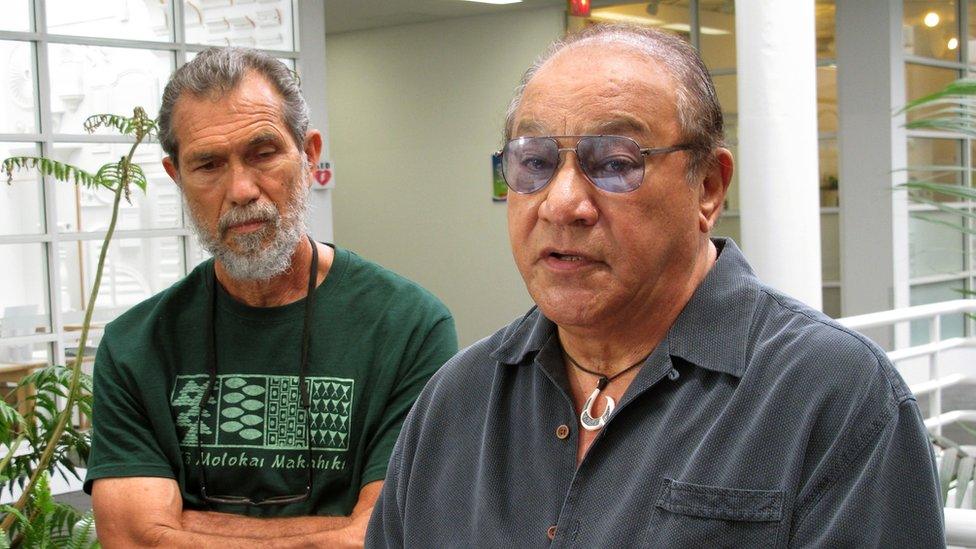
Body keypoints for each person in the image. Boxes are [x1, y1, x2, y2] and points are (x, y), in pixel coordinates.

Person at [366, 24, 944, 547]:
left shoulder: (831, 396)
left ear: (709, 188)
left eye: (616, 162)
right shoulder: (457, 399)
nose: (563, 203)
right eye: (535, 161)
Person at [84, 47, 457, 547]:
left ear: (309, 154)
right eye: (209, 165)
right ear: (177, 178)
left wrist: (188, 525)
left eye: (263, 154)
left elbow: (393, 533)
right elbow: (133, 538)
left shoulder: (409, 326)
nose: (241, 190)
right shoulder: (136, 346)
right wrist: (336, 527)